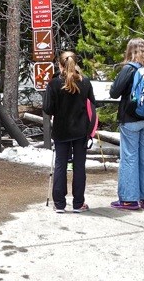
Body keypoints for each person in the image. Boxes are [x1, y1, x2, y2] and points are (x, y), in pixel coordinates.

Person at [109, 38, 144, 210]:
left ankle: (129, 200)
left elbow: (114, 93)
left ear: (129, 51)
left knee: (129, 157)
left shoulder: (130, 68)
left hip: (131, 119)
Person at [42, 51, 95, 213]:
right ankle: (78, 203)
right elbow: (92, 105)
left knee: (60, 165)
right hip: (81, 130)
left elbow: (47, 108)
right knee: (79, 166)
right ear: (76, 63)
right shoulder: (85, 82)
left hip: (61, 130)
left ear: (59, 64)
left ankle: (59, 203)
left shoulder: (54, 84)